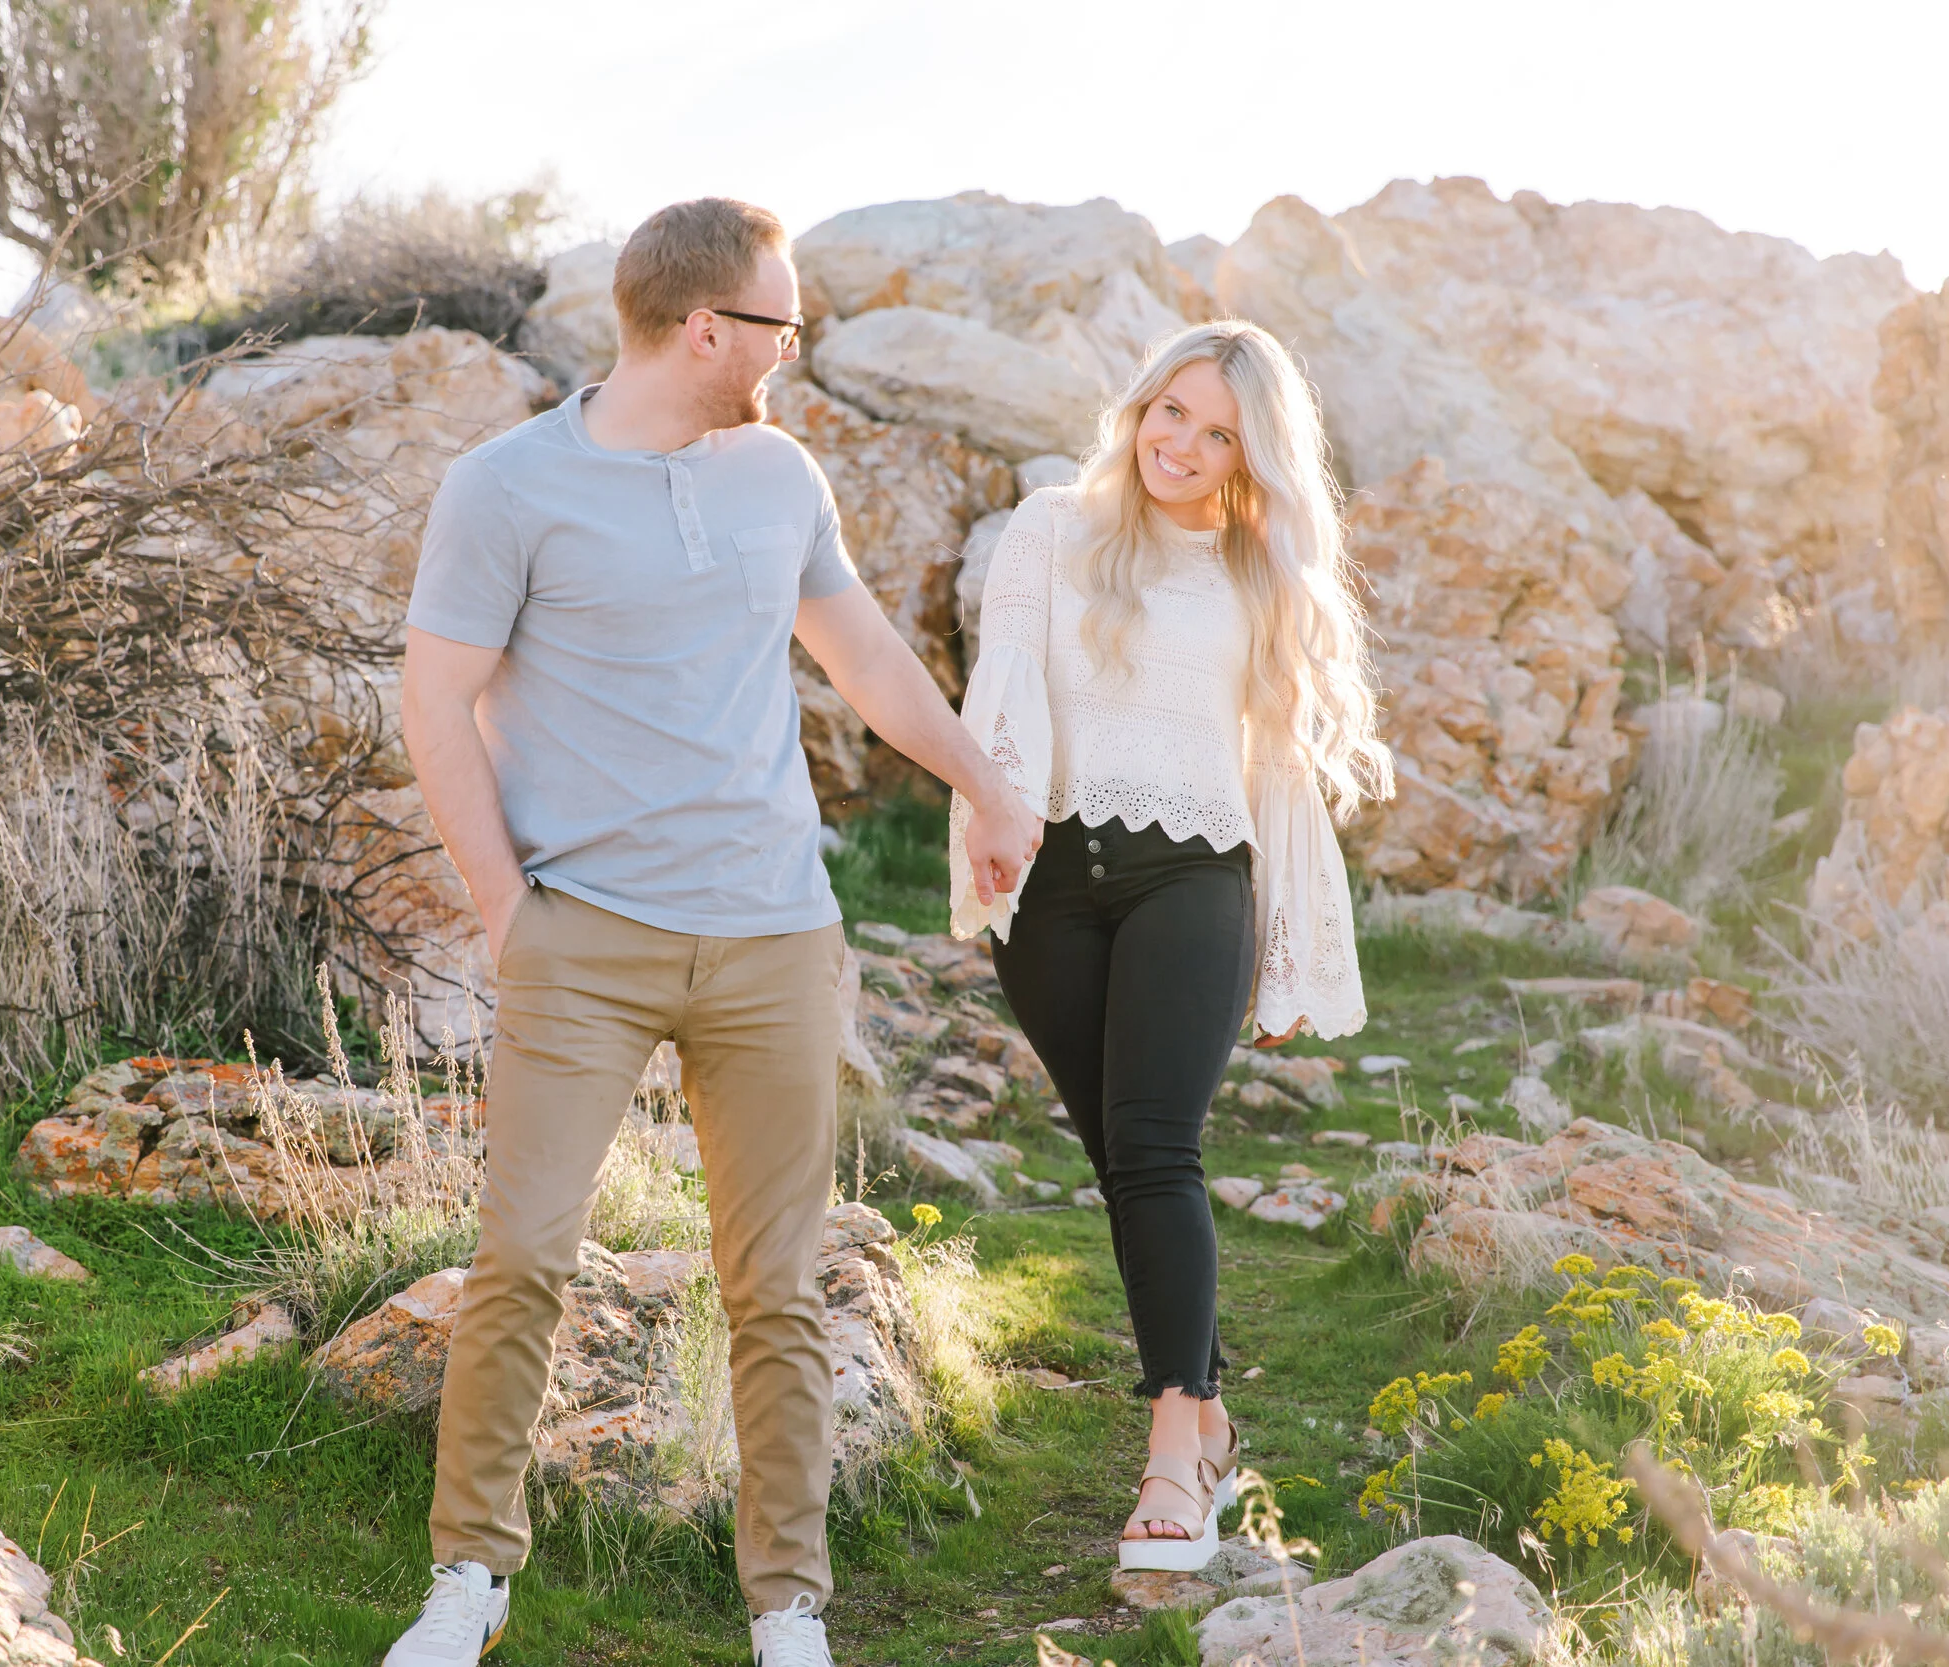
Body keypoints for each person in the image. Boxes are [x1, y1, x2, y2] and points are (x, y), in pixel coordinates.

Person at [387, 197, 1040, 1667]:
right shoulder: (504, 488)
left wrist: (986, 785)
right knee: (523, 1258)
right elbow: (434, 704)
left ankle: (787, 1606)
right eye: (779, 327)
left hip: (775, 936)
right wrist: (510, 913)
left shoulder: (779, 474)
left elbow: (865, 655)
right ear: (704, 330)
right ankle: (468, 1578)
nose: (790, 350)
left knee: (780, 1283)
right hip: (584, 939)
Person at [947, 321, 1391, 1572]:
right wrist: (989, 821)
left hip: (1191, 880)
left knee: (1153, 1150)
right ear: (1139, 406)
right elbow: (1004, 686)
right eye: (1171, 412)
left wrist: (1291, 951)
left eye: (1219, 434)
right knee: (1119, 1159)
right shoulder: (1048, 528)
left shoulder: (1259, 574)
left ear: (1254, 457)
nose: (1181, 446)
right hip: (1048, 882)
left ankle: (1169, 1462)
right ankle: (1207, 1415)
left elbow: (1281, 776)